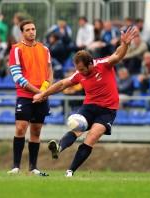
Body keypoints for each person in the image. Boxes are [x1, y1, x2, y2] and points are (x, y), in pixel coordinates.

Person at [33, 27, 138, 177]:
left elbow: (117, 55)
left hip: (107, 110)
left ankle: (70, 171)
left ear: (90, 64)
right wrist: (44, 94)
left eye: (82, 69)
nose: (80, 72)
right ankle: (59, 147)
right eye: (77, 69)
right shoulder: (79, 73)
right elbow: (62, 84)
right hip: (89, 107)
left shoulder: (103, 64)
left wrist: (125, 44)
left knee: (92, 136)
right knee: (77, 129)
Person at [7, 20, 53, 176]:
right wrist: (37, 92)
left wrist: (44, 91)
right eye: (28, 30)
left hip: (42, 95)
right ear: (22, 32)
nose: (32, 32)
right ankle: (15, 167)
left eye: (33, 29)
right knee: (20, 128)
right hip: (25, 95)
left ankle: (33, 167)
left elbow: (49, 72)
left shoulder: (45, 49)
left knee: (37, 131)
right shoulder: (16, 49)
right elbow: (17, 76)